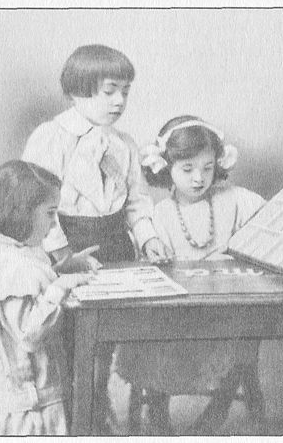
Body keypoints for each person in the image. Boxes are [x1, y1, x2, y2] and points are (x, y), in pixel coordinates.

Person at [116, 115, 283, 433]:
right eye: (187, 169)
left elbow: (276, 219)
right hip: (176, 319)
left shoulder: (235, 200)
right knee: (155, 342)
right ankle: (158, 416)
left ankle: (215, 414)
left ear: (218, 164)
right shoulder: (160, 215)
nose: (199, 178)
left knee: (237, 344)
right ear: (165, 169)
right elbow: (147, 263)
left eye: (207, 168)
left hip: (227, 316)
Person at [22, 44, 169, 433]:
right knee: (69, 342)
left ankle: (97, 410)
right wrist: (62, 255)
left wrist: (149, 237)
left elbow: (137, 201)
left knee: (105, 341)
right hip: (67, 245)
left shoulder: (123, 143)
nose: (120, 100)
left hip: (115, 245)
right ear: (78, 90)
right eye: (110, 91)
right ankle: (74, 418)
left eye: (125, 91)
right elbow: (38, 205)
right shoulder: (51, 137)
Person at [0, 161, 91, 436]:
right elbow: (29, 333)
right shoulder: (9, 265)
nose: (54, 224)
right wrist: (60, 286)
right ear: (21, 214)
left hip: (29, 396)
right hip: (24, 404)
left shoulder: (11, 252)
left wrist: (62, 269)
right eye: (50, 214)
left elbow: (30, 288)